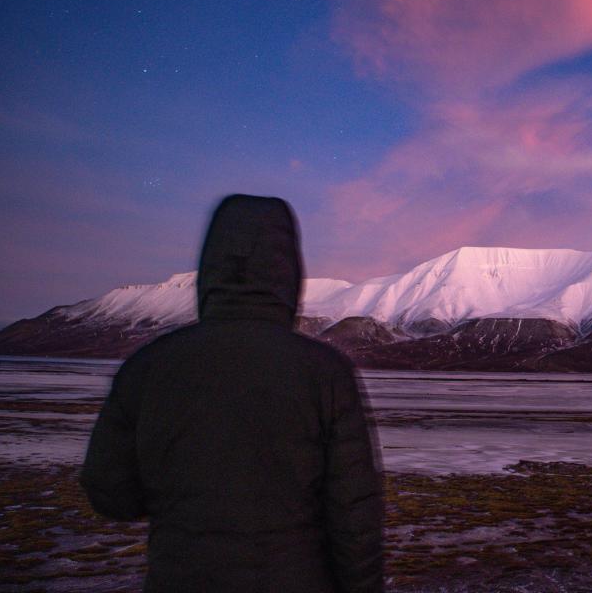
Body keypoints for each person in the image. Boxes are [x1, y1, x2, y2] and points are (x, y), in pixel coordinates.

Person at [80, 194, 384, 593]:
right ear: (289, 273)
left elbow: (110, 494)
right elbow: (354, 516)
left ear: (209, 268)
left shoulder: (148, 367)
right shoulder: (325, 373)